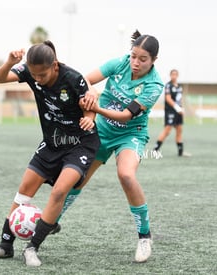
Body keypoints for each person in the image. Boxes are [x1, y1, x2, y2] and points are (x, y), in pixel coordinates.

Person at [0, 41, 100, 267]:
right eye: (34, 75)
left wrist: (89, 117)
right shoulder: (29, 72)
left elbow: (90, 101)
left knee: (60, 191)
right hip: (52, 142)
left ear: (54, 66)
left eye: (42, 74)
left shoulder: (73, 78)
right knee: (24, 190)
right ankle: (5, 246)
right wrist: (9, 63)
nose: (38, 79)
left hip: (80, 143)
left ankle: (32, 248)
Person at [59, 30, 163, 263]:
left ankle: (145, 236)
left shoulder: (154, 85)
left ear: (154, 60)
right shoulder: (120, 63)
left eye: (143, 59)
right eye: (134, 56)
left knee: (126, 174)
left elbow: (127, 116)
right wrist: (91, 90)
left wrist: (96, 109)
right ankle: (52, 221)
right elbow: (84, 79)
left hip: (130, 134)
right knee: (78, 177)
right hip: (102, 131)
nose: (135, 62)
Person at [152, 69, 190, 156]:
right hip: (170, 111)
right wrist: (177, 108)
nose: (174, 76)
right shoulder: (168, 86)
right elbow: (168, 99)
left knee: (179, 130)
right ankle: (155, 150)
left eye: (175, 74)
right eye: (172, 74)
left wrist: (181, 109)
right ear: (170, 75)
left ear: (177, 75)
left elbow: (180, 100)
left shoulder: (179, 87)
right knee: (167, 131)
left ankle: (180, 152)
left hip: (178, 112)